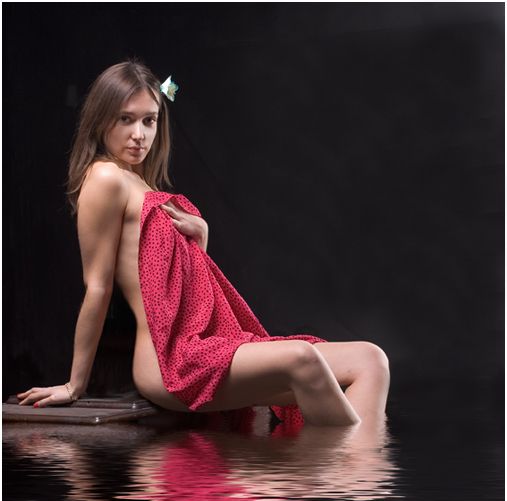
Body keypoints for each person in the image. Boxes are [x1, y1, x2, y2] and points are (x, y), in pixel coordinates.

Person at [17, 60, 390, 427]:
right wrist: (75, 384)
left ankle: (356, 463)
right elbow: (98, 286)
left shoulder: (140, 183)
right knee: (301, 357)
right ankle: (356, 463)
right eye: (125, 119)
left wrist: (200, 237)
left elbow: (182, 291)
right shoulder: (105, 179)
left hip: (205, 343)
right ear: (100, 120)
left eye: (149, 120)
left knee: (371, 361)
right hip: (170, 362)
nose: (139, 134)